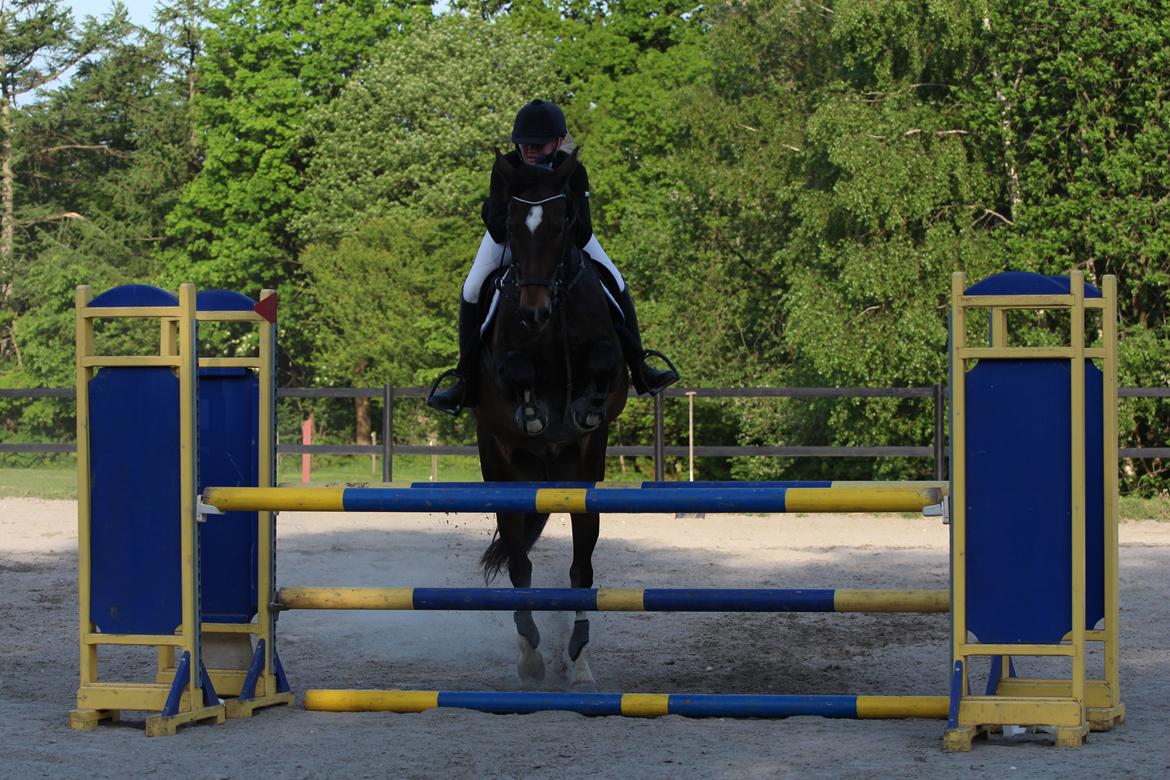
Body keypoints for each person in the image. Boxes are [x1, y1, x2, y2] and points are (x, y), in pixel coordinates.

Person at [427, 99, 679, 416]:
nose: (530, 150)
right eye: (524, 143)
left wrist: (557, 220)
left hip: (563, 243)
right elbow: (496, 227)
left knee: (614, 280)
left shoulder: (573, 170)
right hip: (509, 243)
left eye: (539, 144)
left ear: (558, 141)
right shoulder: (504, 169)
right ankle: (464, 377)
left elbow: (584, 230)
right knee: (472, 287)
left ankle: (640, 364)